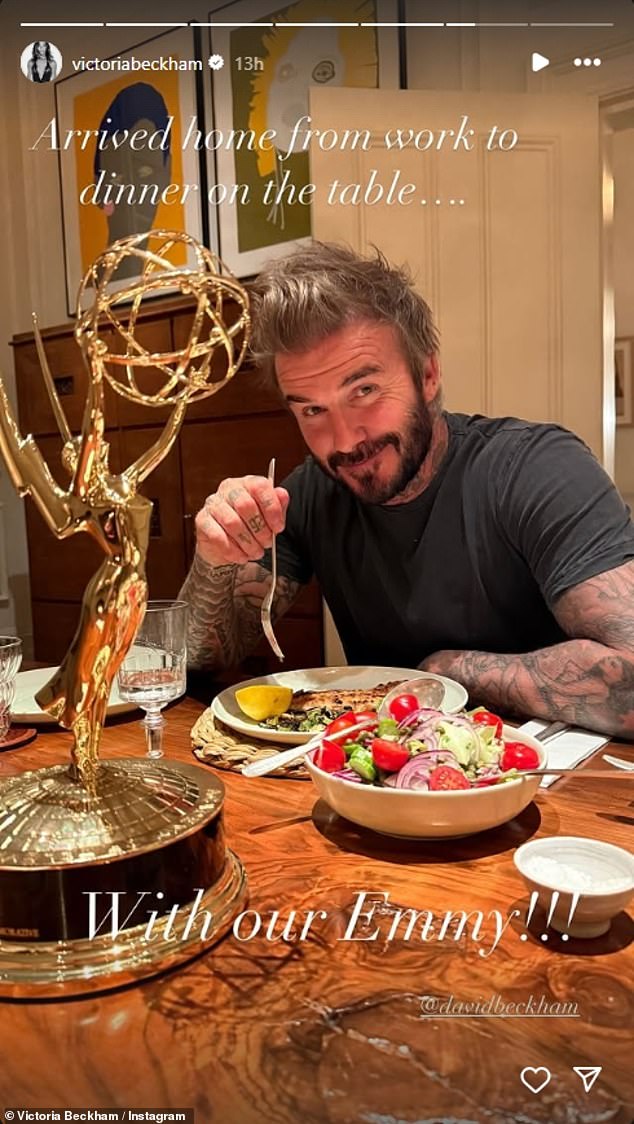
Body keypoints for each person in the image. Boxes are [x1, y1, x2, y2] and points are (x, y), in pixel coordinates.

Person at [179, 242, 634, 738]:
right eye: (311, 410)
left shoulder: (538, 470)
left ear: (428, 374)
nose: (345, 439)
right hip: (379, 786)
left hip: (550, 792)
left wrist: (447, 672)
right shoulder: (311, 494)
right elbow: (204, 656)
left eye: (365, 391)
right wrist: (213, 557)